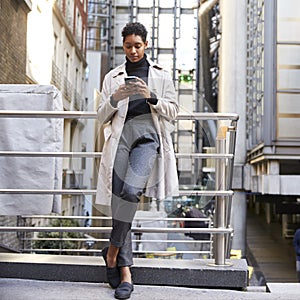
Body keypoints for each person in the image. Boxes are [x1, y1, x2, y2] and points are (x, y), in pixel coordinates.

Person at [95, 22, 179, 299]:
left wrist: (151, 96)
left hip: (147, 140)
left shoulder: (161, 75)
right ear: (124, 46)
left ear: (146, 45)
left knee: (131, 193)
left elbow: (175, 112)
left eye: (137, 46)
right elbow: (99, 116)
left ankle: (112, 253)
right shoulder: (112, 77)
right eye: (128, 46)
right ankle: (126, 273)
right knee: (121, 201)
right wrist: (115, 99)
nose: (133, 51)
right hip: (120, 140)